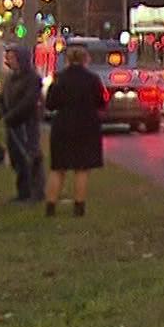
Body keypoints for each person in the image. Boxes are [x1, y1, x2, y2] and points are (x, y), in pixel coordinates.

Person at [43, 45, 105, 217]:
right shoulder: (92, 79)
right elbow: (101, 102)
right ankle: (79, 207)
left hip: (62, 125)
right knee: (82, 168)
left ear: (68, 60)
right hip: (86, 125)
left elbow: (50, 104)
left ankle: (50, 206)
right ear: (86, 59)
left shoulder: (59, 78)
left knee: (58, 168)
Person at [0, 44, 44, 203]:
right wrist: (2, 111)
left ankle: (35, 192)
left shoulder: (32, 78)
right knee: (17, 158)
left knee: (30, 156)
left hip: (26, 124)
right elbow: (2, 97)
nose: (8, 61)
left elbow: (29, 102)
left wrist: (12, 115)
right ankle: (22, 192)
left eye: (12, 58)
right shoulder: (11, 78)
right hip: (12, 124)